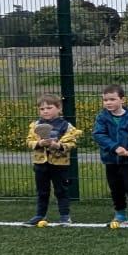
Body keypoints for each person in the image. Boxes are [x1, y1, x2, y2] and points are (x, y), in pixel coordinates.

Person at [91, 84, 128, 227]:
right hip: (110, 160)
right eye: (105, 100)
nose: (108, 103)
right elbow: (99, 135)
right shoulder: (102, 117)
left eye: (112, 99)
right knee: (115, 188)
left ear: (123, 100)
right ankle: (121, 215)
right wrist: (115, 147)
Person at [20, 93, 82, 226]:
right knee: (42, 191)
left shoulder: (66, 126)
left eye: (49, 108)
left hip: (59, 164)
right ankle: (40, 215)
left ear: (59, 108)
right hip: (40, 164)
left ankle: (64, 216)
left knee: (61, 190)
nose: (45, 111)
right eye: (42, 109)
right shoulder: (35, 125)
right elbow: (29, 141)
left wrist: (58, 146)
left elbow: (71, 143)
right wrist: (39, 143)